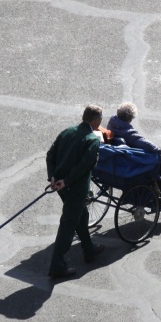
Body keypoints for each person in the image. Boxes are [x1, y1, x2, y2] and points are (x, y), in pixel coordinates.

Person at [46, 104, 106, 279]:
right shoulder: (92, 139)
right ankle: (57, 265)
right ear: (95, 121)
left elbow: (51, 155)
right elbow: (84, 166)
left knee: (82, 216)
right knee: (68, 225)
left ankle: (89, 250)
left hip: (61, 186)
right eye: (100, 119)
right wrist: (67, 181)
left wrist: (52, 177)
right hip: (75, 188)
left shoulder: (67, 132)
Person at [106, 102, 161, 205]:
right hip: (128, 161)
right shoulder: (127, 131)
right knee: (160, 162)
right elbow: (140, 141)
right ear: (131, 117)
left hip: (117, 158)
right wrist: (156, 149)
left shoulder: (112, 123)